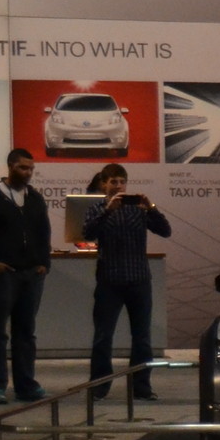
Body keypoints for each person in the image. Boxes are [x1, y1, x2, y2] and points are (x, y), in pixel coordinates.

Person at [0, 148, 51, 405]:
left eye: (31, 169)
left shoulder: (35, 199)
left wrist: (43, 264)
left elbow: (43, 234)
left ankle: (26, 384)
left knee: (26, 332)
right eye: (23, 168)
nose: (27, 173)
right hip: (2, 275)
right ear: (10, 166)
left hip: (31, 275)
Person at [82, 162, 171, 401]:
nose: (118, 186)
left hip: (139, 280)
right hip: (109, 281)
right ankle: (100, 386)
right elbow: (87, 234)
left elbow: (165, 231)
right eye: (113, 182)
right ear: (104, 184)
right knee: (103, 337)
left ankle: (141, 387)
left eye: (122, 182)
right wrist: (107, 210)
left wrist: (150, 207)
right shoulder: (97, 208)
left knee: (142, 338)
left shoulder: (139, 210)